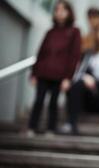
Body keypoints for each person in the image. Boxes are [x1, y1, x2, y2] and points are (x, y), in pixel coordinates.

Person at [28, 0, 81, 137]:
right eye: (57, 9)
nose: (60, 12)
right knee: (39, 100)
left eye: (63, 10)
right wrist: (33, 73)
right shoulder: (50, 32)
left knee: (53, 102)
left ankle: (51, 129)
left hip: (60, 75)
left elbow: (74, 56)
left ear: (69, 12)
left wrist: (68, 78)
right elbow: (41, 53)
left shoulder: (74, 32)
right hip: (43, 72)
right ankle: (31, 127)